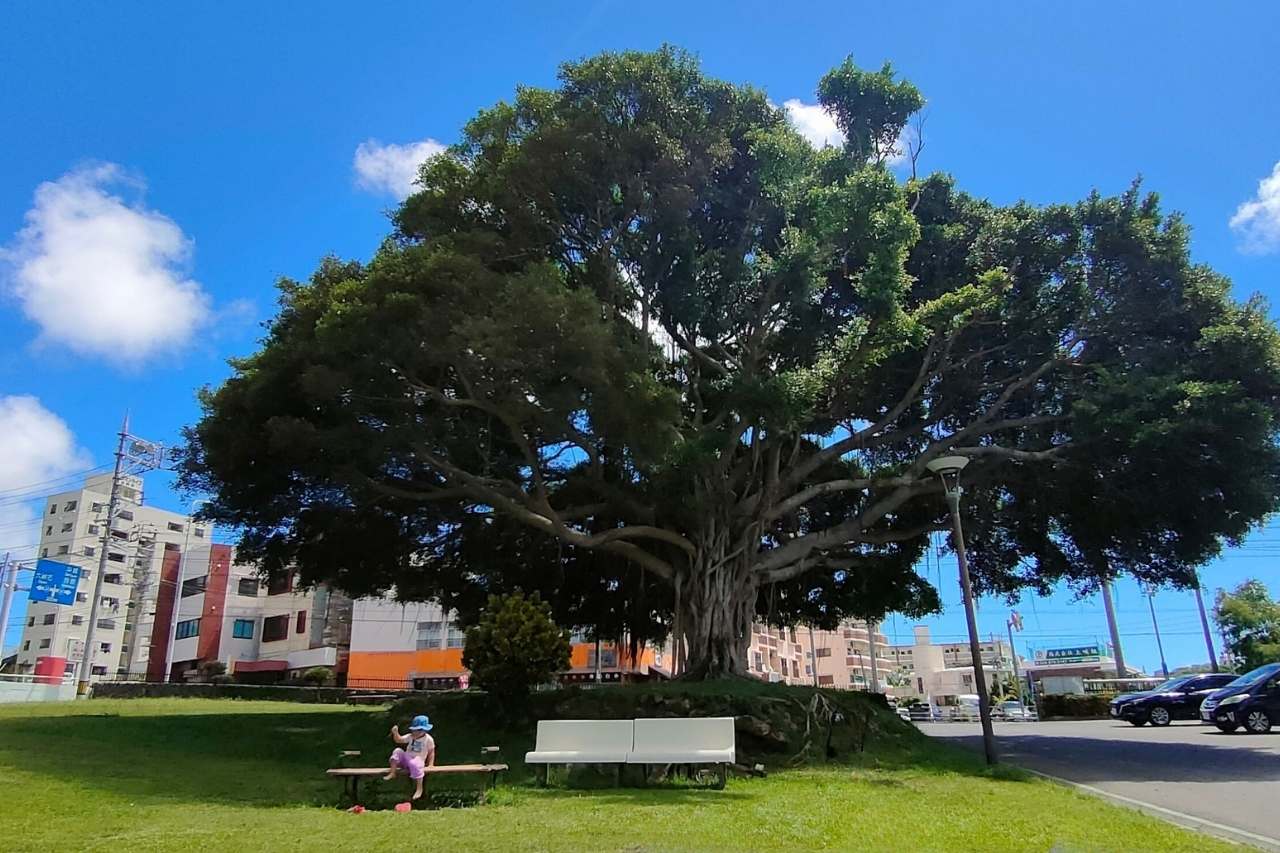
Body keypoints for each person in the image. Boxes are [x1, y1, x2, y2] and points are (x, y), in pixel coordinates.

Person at [384, 714, 436, 800]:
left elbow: (431, 752)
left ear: (425, 731)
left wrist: (431, 764)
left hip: (418, 760)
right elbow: (399, 740)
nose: (416, 733)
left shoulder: (428, 739)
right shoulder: (410, 736)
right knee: (397, 751)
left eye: (419, 730)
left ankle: (419, 788)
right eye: (414, 730)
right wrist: (395, 733)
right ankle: (392, 772)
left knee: (414, 763)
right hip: (407, 758)